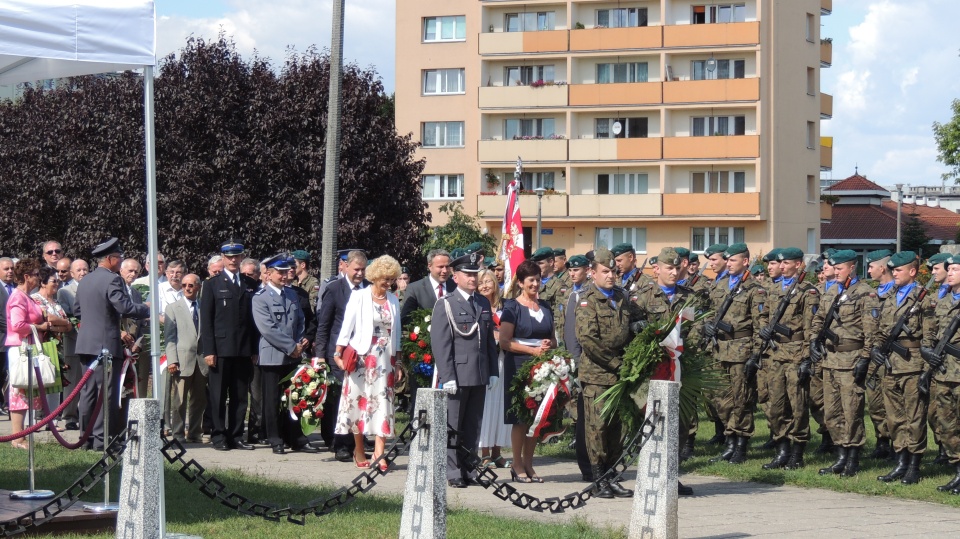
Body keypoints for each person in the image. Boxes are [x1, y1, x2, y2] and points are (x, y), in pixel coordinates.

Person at [575, 247, 641, 498]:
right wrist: (616, 364)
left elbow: (632, 326)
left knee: (617, 428)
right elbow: (588, 340)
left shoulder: (622, 297)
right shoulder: (586, 299)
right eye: (605, 271)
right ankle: (598, 477)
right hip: (597, 374)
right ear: (592, 273)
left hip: (621, 375)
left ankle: (612, 476)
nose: (611, 276)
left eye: (613, 271)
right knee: (598, 427)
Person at [74, 238, 150, 450]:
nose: (121, 262)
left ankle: (86, 438)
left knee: (88, 392)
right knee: (106, 393)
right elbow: (124, 306)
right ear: (110, 258)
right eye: (119, 258)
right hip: (105, 345)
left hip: (86, 344)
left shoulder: (86, 280)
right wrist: (146, 308)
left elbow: (78, 310)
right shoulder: (113, 280)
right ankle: (102, 439)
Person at [810, 249, 880, 477]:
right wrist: (813, 340)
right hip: (830, 360)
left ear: (852, 268)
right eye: (835, 268)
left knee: (852, 412)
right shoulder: (831, 291)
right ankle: (840, 455)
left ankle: (853, 458)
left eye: (840, 268)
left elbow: (871, 331)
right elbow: (819, 318)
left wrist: (865, 358)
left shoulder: (865, 294)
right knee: (832, 412)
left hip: (851, 359)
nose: (836, 272)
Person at [431, 251, 498, 487]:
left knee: (473, 424)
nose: (473, 278)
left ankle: (470, 468)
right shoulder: (446, 304)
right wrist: (447, 376)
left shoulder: (482, 302)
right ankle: (453, 471)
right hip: (458, 375)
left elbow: (488, 340)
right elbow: (441, 344)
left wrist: (492, 371)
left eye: (475, 274)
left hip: (479, 373)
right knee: (453, 425)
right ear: (455, 276)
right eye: (468, 274)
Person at [333, 255, 402, 469]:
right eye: (384, 278)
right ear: (374, 277)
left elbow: (397, 332)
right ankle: (359, 449)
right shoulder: (360, 296)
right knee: (358, 402)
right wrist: (338, 351)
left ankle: (379, 453)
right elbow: (347, 325)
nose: (388, 283)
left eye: (391, 279)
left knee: (383, 402)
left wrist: (398, 361)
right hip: (362, 357)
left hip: (384, 358)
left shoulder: (392, 300)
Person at [704, 243, 768, 465]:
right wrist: (706, 325)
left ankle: (740, 444)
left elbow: (761, 326)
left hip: (742, 349)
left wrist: (755, 355)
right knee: (721, 399)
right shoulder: (719, 284)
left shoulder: (754, 289)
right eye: (727, 260)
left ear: (745, 262)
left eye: (733, 260)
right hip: (719, 348)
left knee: (742, 399)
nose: (729, 264)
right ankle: (729, 439)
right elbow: (707, 310)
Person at [252, 255, 319, 455]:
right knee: (272, 400)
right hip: (273, 355)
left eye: (285, 272)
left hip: (293, 355)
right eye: (279, 272)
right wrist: (291, 346)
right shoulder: (260, 298)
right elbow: (268, 329)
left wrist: (298, 344)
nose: (283, 275)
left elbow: (300, 321)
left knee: (294, 397)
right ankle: (275, 438)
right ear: (269, 274)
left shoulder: (291, 294)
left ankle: (296, 437)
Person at [760, 248, 820, 471]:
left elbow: (810, 327)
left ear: (798, 264)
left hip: (795, 353)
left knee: (797, 406)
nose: (781, 266)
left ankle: (797, 452)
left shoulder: (807, 292)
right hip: (776, 354)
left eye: (786, 263)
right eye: (780, 263)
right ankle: (781, 449)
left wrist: (806, 358)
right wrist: (765, 330)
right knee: (776, 406)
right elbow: (764, 315)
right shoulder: (774, 289)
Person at [875, 252, 930, 485]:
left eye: (898, 270)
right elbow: (880, 330)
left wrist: (927, 371)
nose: (893, 273)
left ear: (912, 272)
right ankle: (900, 461)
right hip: (889, 365)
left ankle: (914, 466)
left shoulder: (924, 299)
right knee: (894, 417)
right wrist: (876, 349)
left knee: (914, 417)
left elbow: (929, 339)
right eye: (893, 270)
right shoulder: (889, 297)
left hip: (912, 364)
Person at [199, 240, 259, 452]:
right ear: (223, 258)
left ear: (242, 257)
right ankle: (218, 435)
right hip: (220, 349)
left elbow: (252, 321)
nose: (233, 260)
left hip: (243, 349)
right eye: (229, 256)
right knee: (217, 395)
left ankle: (236, 435)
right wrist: (209, 350)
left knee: (240, 395)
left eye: (237, 256)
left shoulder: (249, 284)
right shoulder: (211, 284)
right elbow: (206, 320)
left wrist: (253, 349)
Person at [501, 259, 555, 483]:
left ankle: (529, 464)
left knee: (537, 418)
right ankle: (516, 463)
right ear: (521, 283)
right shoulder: (512, 307)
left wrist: (548, 346)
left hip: (542, 367)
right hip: (519, 365)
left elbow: (552, 338)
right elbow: (505, 341)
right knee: (520, 417)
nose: (535, 284)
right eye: (530, 280)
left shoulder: (546, 306)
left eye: (538, 279)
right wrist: (532, 351)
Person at [316, 250, 370, 461]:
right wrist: (321, 355)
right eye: (356, 269)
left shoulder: (368, 289)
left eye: (363, 270)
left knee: (361, 399)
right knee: (342, 400)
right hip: (339, 354)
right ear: (345, 267)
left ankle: (360, 441)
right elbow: (325, 324)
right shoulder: (334, 289)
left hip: (363, 353)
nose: (359, 274)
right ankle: (340, 444)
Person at [6, 259, 58, 448]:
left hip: (29, 347)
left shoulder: (27, 296)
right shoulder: (18, 297)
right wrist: (40, 326)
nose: (38, 277)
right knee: (19, 390)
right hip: (21, 347)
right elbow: (18, 325)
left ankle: (22, 435)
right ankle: (17, 437)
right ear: (26, 277)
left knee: (27, 390)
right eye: (35, 274)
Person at [927, 255, 960, 494]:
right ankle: (957, 471)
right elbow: (932, 331)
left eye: (956, 269)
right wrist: (928, 351)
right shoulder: (944, 301)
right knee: (947, 425)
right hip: (943, 372)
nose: (950, 273)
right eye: (949, 269)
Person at [164, 273, 209, 444]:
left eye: (191, 285)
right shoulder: (173, 308)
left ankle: (195, 433)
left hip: (202, 360)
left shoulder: (205, 306)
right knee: (180, 400)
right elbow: (170, 337)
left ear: (198, 287)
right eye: (184, 285)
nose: (187, 288)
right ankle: (178, 433)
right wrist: (172, 360)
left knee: (199, 399)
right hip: (182, 360)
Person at [560, 255, 593, 480]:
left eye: (577, 270)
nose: (573, 274)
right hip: (573, 360)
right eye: (570, 270)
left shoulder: (589, 294)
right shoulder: (569, 294)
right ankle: (587, 465)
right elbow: (566, 330)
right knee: (581, 415)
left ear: (587, 270)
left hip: (588, 362)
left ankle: (595, 463)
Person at [30, 265, 73, 427]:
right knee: (37, 382)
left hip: (57, 348)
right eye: (53, 281)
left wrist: (58, 324)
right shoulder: (35, 299)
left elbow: (67, 326)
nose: (57, 284)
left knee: (55, 382)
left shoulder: (55, 302)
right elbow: (46, 317)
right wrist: (61, 323)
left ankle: (52, 420)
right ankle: (34, 421)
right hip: (40, 346)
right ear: (43, 283)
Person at [477, 268, 510, 469]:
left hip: (503, 360)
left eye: (488, 281)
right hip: (485, 362)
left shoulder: (505, 306)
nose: (485, 285)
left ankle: (498, 452)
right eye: (481, 282)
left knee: (500, 406)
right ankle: (485, 453)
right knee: (487, 406)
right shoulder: (475, 306)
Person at [865, 248, 895, 460]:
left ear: (882, 268)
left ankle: (898, 445)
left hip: (893, 358)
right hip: (872, 357)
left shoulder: (899, 293)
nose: (868, 270)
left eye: (872, 266)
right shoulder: (872, 294)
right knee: (875, 403)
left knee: (893, 404)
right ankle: (881, 442)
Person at [926, 252, 952, 466]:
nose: (933, 272)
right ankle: (945, 450)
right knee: (938, 414)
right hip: (938, 365)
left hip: (953, 365)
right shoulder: (936, 298)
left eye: (937, 268)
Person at [56, 258, 87, 429]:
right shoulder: (65, 291)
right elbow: (67, 313)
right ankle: (69, 417)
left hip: (90, 340)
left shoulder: (92, 288)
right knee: (72, 380)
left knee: (87, 379)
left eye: (85, 269)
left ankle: (85, 414)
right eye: (79, 270)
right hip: (73, 339)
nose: (82, 273)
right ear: (72, 273)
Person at [0, 257, 16, 416]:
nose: (10, 271)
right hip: (1, 340)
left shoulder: (17, 288)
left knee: (12, 377)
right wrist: (15, 329)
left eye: (12, 268)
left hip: (15, 342)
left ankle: (9, 405)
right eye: (6, 269)